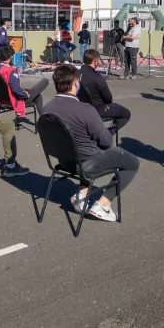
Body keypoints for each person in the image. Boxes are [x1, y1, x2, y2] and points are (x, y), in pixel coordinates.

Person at [43, 65, 140, 222]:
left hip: (63, 161)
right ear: (75, 83)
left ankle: (81, 194)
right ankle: (102, 205)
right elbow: (107, 141)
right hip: (86, 163)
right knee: (133, 162)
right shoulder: (85, 109)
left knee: (85, 146)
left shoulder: (47, 108)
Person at [78, 49, 131, 136]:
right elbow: (108, 98)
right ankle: (106, 135)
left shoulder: (76, 74)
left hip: (80, 107)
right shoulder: (96, 77)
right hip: (97, 109)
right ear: (95, 61)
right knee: (126, 113)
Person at [0, 45, 49, 116]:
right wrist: (25, 94)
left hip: (1, 101)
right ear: (11, 56)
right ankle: (44, 120)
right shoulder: (11, 71)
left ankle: (43, 118)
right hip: (14, 101)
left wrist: (2, 93)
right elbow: (16, 90)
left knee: (37, 96)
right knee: (45, 81)